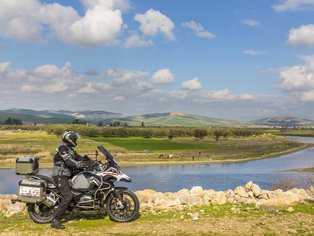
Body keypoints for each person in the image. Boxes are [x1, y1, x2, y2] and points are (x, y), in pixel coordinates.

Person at [51, 131, 89, 229]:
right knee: (68, 196)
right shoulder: (62, 148)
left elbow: (78, 157)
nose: (76, 140)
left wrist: (91, 162)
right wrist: (79, 164)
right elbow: (69, 161)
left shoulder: (70, 149)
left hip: (67, 174)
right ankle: (55, 220)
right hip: (60, 175)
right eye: (74, 139)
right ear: (69, 139)